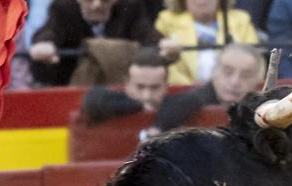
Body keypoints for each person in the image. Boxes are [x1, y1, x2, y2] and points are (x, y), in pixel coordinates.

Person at [29, 0, 164, 86]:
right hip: (71, 88)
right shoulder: (63, 8)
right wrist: (44, 44)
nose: (97, 4)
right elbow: (51, 29)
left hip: (121, 91)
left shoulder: (130, 6)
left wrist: (163, 43)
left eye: (105, 0)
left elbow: (145, 32)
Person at [152, 42, 264, 132]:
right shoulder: (187, 101)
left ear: (257, 81)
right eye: (228, 72)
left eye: (245, 75)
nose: (235, 82)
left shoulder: (262, 112)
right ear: (214, 72)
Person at [155, 0, 260, 85]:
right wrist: (191, 86)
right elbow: (166, 65)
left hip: (233, 89)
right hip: (185, 90)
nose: (201, 1)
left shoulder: (241, 19)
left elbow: (256, 60)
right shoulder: (166, 20)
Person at [79, 47, 170, 124]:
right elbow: (93, 101)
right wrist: (140, 106)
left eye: (155, 88)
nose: (147, 96)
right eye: (140, 87)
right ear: (127, 84)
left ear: (166, 86)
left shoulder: (175, 104)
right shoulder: (115, 100)